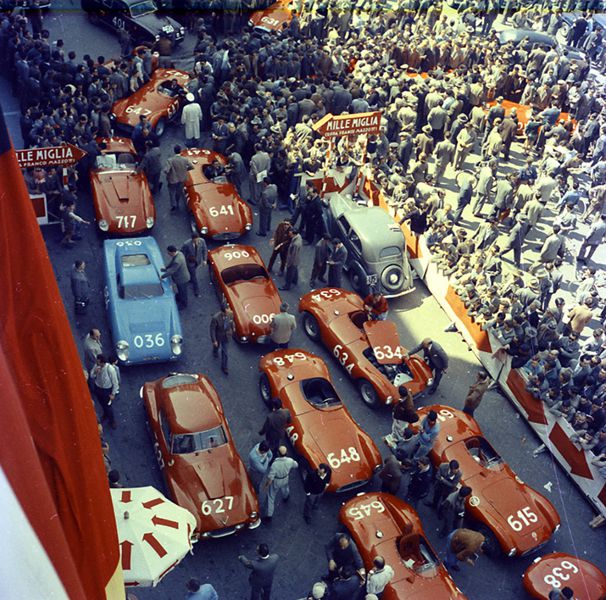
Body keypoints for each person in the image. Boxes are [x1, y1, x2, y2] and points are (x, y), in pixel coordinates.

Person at [262, 445, 298, 523]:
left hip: (276, 481)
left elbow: (270, 478)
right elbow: (296, 465)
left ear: (278, 453)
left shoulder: (275, 464)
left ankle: (269, 515)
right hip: (285, 478)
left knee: (271, 497)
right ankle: (286, 496)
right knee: (285, 488)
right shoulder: (290, 460)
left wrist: (266, 486)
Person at [90, 354, 119, 429]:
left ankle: (112, 420)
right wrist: (95, 372)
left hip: (106, 390)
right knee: (101, 403)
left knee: (108, 406)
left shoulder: (110, 369)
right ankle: (105, 414)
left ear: (102, 362)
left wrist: (113, 394)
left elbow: (115, 382)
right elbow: (91, 375)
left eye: (98, 362)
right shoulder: (96, 366)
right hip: (98, 387)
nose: (97, 363)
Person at [164, 145, 193, 211]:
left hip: (173, 180)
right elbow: (191, 167)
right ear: (180, 151)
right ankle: (177, 201)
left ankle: (173, 205)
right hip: (182, 179)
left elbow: (166, 170)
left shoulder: (170, 160)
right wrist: (185, 170)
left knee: (171, 192)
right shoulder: (185, 159)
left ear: (174, 151)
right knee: (179, 191)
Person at [210, 304, 234, 375]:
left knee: (225, 352)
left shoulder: (230, 314)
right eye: (228, 310)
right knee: (216, 346)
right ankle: (215, 351)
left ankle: (224, 367)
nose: (230, 311)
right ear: (223, 312)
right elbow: (212, 330)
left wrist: (232, 328)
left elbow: (231, 322)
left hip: (226, 336)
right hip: (218, 336)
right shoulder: (215, 318)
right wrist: (214, 340)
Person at [181, 233, 207, 298]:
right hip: (190, 263)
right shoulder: (186, 244)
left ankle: (190, 279)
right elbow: (182, 254)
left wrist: (204, 260)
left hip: (197, 261)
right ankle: (197, 292)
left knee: (193, 273)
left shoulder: (202, 241)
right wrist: (185, 262)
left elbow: (204, 250)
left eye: (198, 240)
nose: (197, 242)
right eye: (196, 241)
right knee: (194, 276)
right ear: (192, 239)